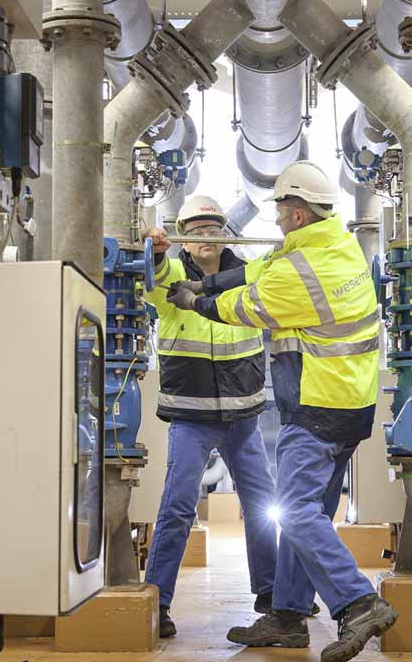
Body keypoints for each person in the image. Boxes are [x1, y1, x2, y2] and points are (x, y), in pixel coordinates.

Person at [166, 163, 398, 662]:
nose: (274, 222)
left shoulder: (299, 272)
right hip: (352, 407)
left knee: (292, 513)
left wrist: (195, 299)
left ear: (295, 213)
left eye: (278, 213)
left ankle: (357, 603)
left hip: (314, 407)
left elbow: (245, 304)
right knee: (310, 513)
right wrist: (208, 284)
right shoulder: (336, 247)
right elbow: (256, 269)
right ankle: (289, 615)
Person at [141, 195, 280, 639]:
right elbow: (157, 276)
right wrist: (158, 251)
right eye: (195, 230)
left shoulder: (244, 277)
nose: (205, 236)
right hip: (191, 416)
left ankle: (273, 596)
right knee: (178, 507)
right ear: (183, 236)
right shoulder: (173, 274)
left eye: (212, 228)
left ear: (226, 232)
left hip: (243, 415)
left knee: (261, 506)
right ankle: (157, 601)